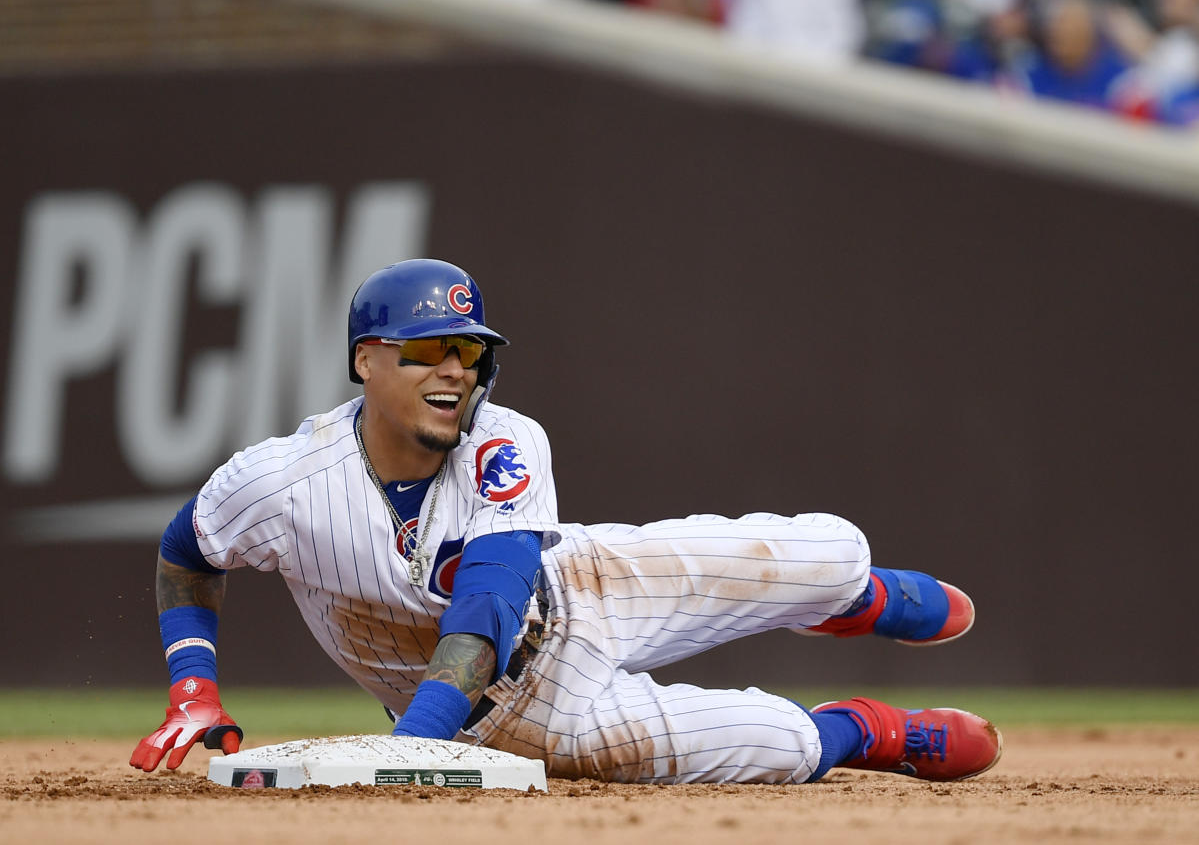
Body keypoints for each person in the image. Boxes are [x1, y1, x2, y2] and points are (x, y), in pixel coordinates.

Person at [130, 258, 1002, 785]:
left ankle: (843, 601)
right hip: (522, 720)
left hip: (572, 587)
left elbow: (493, 596)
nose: (454, 370)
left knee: (827, 548)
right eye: (427, 349)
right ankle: (870, 731)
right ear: (366, 360)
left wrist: (413, 745)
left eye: (469, 352)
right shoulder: (283, 480)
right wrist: (193, 688)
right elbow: (187, 551)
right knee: (771, 743)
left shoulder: (504, 440)